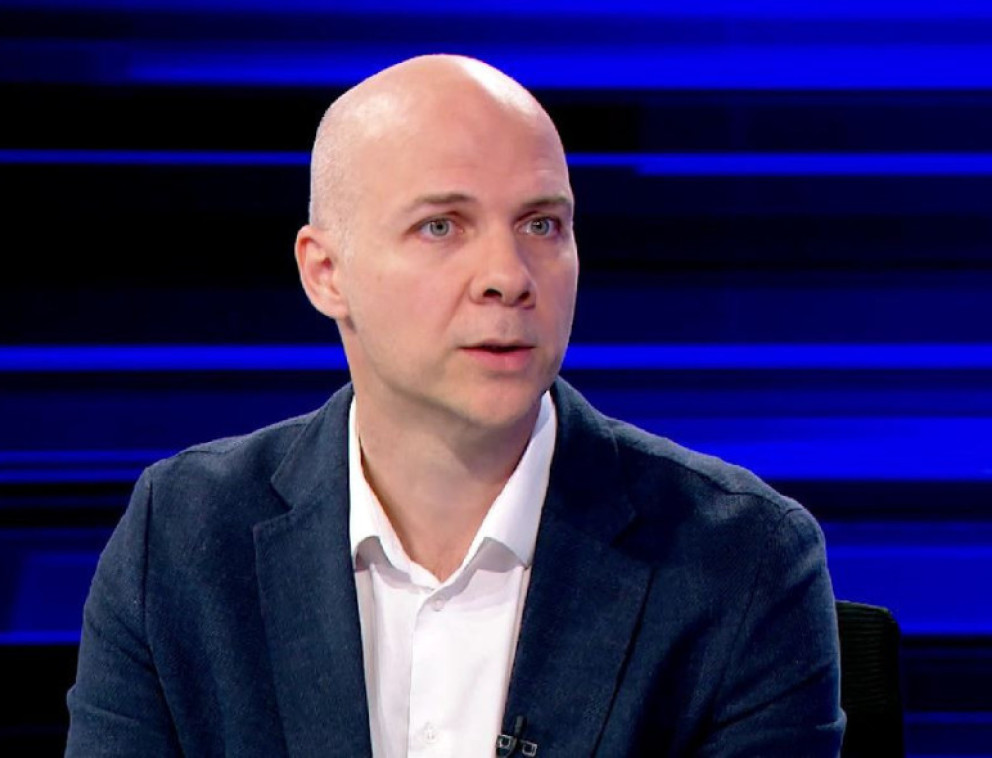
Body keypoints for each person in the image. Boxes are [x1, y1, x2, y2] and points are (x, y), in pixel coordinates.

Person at [65, 54, 845, 756]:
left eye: (542, 224)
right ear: (326, 272)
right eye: (441, 226)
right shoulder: (183, 540)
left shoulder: (739, 564)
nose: (508, 276)